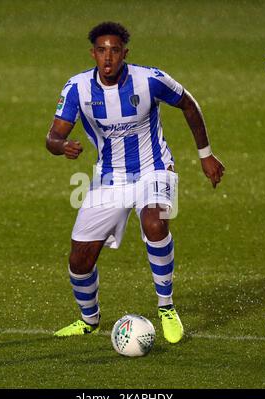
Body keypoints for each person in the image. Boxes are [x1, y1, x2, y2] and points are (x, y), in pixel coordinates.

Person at [46, 21, 225, 344]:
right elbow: (53, 136)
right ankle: (89, 319)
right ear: (93, 53)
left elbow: (188, 103)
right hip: (109, 178)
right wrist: (62, 147)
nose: (108, 57)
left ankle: (166, 307)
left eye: (115, 50)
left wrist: (206, 154)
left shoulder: (149, 80)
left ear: (125, 53)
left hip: (153, 167)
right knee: (80, 259)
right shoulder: (77, 88)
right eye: (102, 50)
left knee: (155, 222)